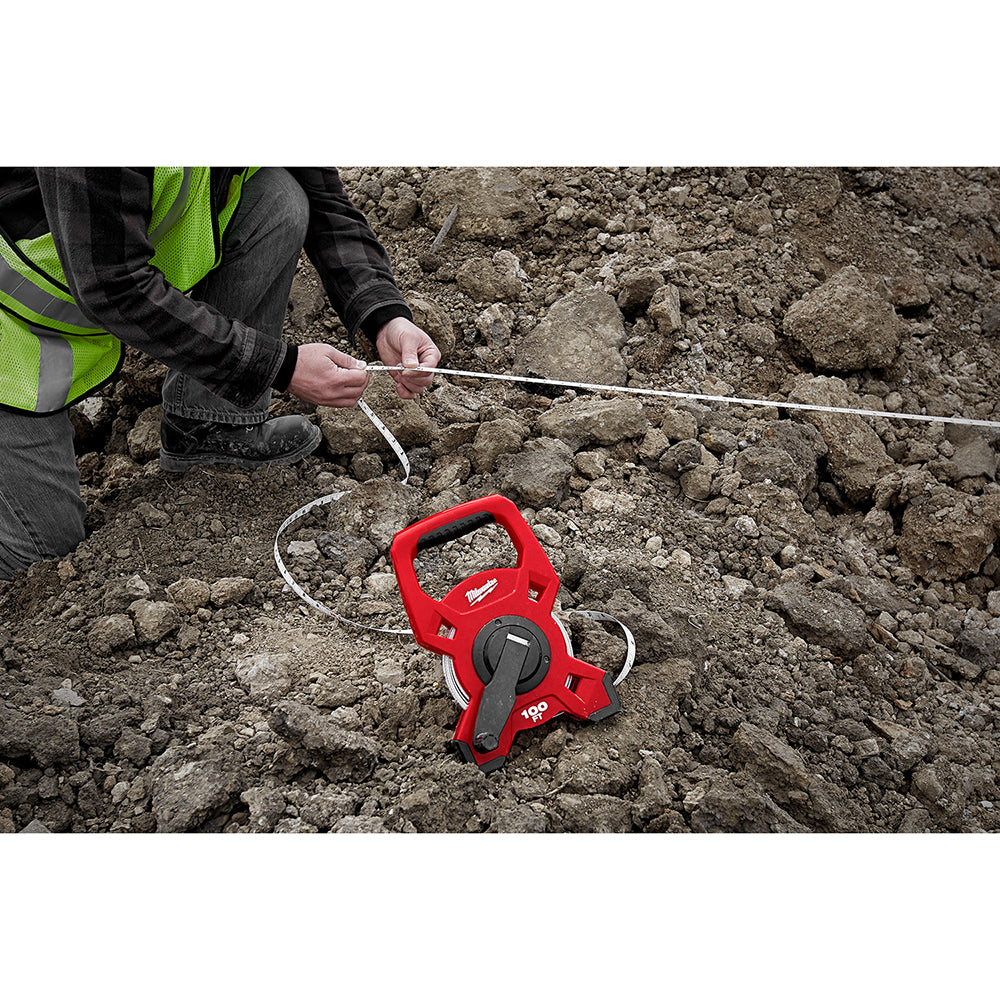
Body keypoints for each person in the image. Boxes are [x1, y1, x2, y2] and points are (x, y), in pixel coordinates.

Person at [0, 167, 441, 581]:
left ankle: (209, 426)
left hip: (89, 303)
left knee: (278, 197)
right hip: (11, 341)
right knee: (39, 556)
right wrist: (279, 366)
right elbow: (112, 285)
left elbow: (324, 199)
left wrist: (384, 316)